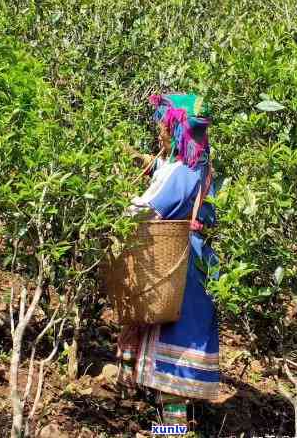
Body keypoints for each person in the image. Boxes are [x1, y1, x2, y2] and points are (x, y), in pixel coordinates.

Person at [116, 93, 220, 428]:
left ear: (177, 131)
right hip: (199, 262)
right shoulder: (202, 167)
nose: (160, 130)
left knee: (171, 360)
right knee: (185, 344)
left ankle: (170, 430)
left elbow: (152, 206)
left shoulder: (182, 171)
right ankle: (170, 424)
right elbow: (164, 170)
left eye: (165, 125)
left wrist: (115, 216)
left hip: (178, 264)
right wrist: (138, 158)